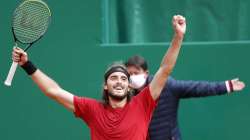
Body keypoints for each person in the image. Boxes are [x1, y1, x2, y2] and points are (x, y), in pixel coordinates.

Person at [11, 15, 186, 140]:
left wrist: (178, 37)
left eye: (124, 79)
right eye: (114, 78)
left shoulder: (143, 104)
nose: (119, 81)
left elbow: (165, 69)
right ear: (105, 86)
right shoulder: (91, 109)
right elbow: (53, 91)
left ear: (129, 87)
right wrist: (27, 65)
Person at [125, 55, 245, 140]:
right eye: (129, 73)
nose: (133, 76)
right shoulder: (125, 95)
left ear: (146, 73)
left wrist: (226, 86)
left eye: (136, 72)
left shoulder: (166, 86)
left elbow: (196, 88)